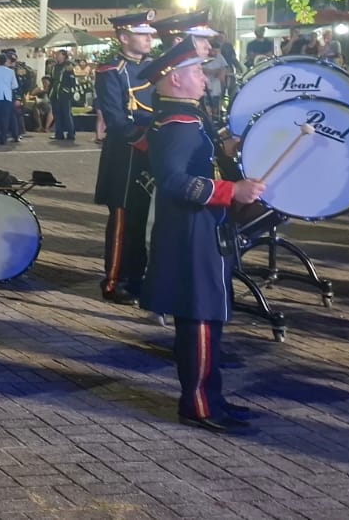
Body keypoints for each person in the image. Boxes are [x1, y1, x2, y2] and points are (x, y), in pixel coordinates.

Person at [137, 39, 265, 434]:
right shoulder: (179, 124)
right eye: (196, 71)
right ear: (175, 79)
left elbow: (198, 160)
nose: (204, 77)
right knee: (200, 317)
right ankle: (199, 405)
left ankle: (212, 397)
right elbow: (174, 180)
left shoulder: (183, 117)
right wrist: (232, 191)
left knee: (206, 316)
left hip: (197, 227)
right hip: (192, 230)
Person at [94, 11, 159, 305]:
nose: (149, 39)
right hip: (125, 155)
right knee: (122, 219)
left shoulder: (154, 69)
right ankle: (114, 281)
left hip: (150, 152)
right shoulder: (111, 71)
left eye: (149, 34)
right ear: (123, 37)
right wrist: (146, 141)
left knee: (144, 219)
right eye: (142, 34)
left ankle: (137, 279)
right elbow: (116, 118)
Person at [47, 49, 77, 141]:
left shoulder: (68, 66)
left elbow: (72, 81)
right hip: (54, 93)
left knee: (66, 114)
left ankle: (71, 133)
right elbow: (52, 80)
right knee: (57, 114)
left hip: (64, 94)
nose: (56, 56)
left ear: (64, 56)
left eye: (59, 54)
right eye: (56, 54)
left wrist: (68, 90)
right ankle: (59, 133)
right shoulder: (54, 67)